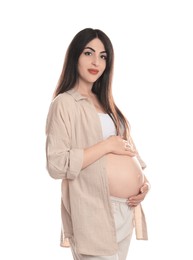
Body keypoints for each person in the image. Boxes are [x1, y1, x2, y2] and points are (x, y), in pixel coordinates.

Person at [45, 28, 150, 260]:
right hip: (93, 211)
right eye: (88, 53)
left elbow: (131, 154)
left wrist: (143, 186)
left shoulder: (110, 107)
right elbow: (57, 164)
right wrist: (106, 146)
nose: (96, 62)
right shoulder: (65, 103)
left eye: (103, 56)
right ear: (75, 56)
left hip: (127, 210)